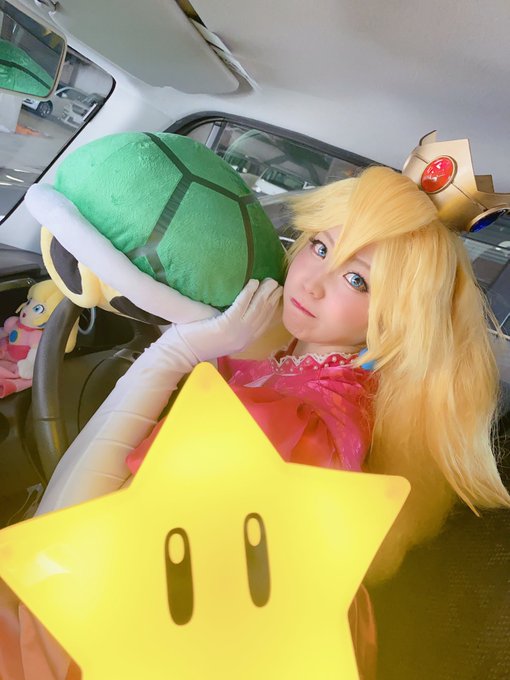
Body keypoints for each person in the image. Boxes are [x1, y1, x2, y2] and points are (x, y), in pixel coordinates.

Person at [2, 166, 509, 680]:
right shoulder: (341, 388)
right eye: (320, 247)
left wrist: (171, 355)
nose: (312, 283)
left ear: (397, 319)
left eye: (357, 280)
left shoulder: (288, 421)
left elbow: (61, 537)